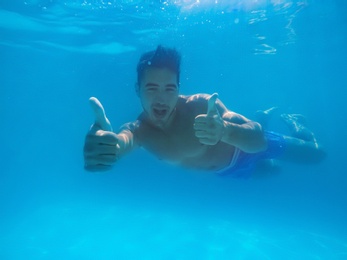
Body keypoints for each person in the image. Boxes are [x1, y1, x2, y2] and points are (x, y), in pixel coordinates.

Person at [83, 45, 326, 178]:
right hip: (227, 171)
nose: (161, 98)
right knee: (274, 173)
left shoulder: (200, 106)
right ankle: (264, 114)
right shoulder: (139, 130)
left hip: (245, 149)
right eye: (151, 88)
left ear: (179, 89)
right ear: (138, 89)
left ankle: (297, 125)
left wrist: (225, 132)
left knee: (317, 155)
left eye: (169, 88)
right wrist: (110, 148)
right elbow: (124, 141)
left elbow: (258, 140)